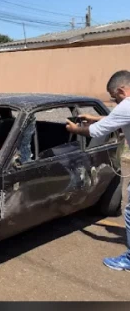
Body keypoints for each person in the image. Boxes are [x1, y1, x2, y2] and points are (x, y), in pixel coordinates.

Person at [66, 70, 130, 271]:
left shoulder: (126, 105)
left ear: (121, 89)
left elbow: (95, 132)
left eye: (115, 97)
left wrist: (76, 130)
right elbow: (119, 117)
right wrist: (95, 116)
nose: (116, 101)